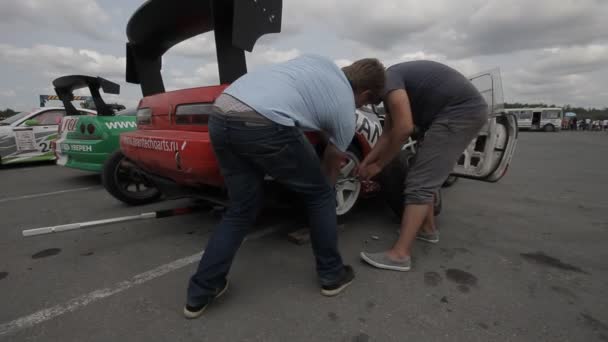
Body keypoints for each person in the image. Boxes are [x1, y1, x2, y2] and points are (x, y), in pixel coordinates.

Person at [184, 55, 386, 318]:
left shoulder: (319, 64)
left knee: (241, 209)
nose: (362, 106)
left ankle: (200, 293)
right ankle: (332, 275)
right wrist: (323, 193)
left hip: (222, 113)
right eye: (367, 102)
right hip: (265, 123)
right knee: (322, 195)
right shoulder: (346, 109)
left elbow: (313, 112)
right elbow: (330, 166)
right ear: (366, 93)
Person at [358, 60, 488, 272]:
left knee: (420, 182)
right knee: (421, 176)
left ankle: (400, 255)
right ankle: (427, 229)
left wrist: (379, 166)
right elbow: (386, 135)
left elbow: (404, 129)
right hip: (452, 113)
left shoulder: (389, 80)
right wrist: (366, 162)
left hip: (459, 113)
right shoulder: (391, 87)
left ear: (365, 91)